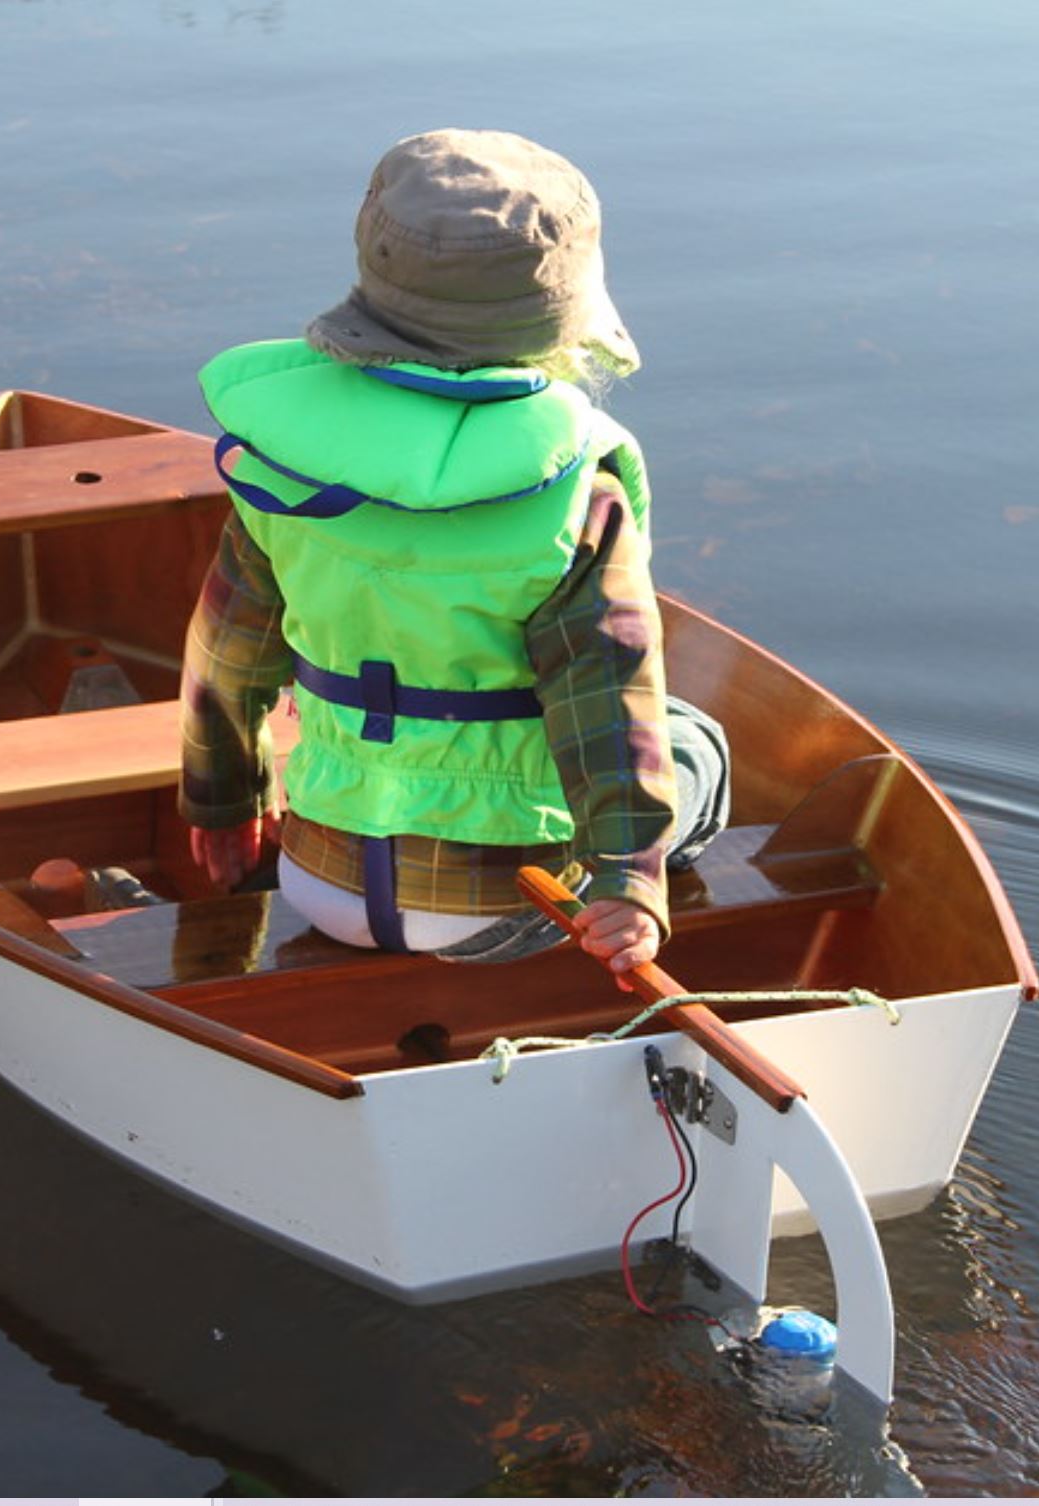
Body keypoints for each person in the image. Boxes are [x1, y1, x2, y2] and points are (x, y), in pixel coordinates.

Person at [177, 128, 714, 978]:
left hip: (318, 879)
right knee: (694, 743)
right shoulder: (578, 498)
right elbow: (609, 705)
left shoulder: (285, 464)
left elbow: (226, 658)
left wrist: (222, 802)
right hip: (512, 903)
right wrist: (628, 881)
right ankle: (634, 893)